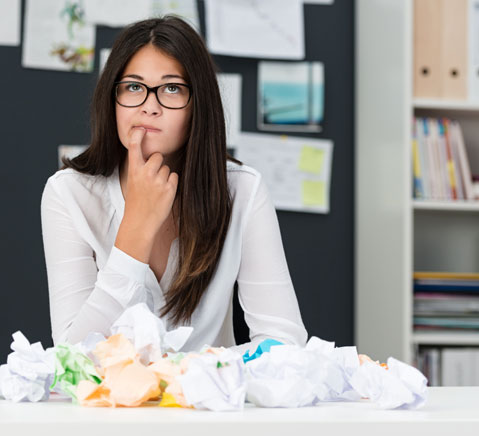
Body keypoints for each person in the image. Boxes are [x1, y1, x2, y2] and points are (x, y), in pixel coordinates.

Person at [40, 16, 306, 355]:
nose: (150, 107)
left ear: (199, 106)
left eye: (172, 89)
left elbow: (284, 344)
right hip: (109, 408)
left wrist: (190, 377)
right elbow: (72, 357)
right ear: (112, 99)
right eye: (134, 87)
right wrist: (136, 229)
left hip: (208, 402)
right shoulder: (69, 194)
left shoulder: (243, 191)